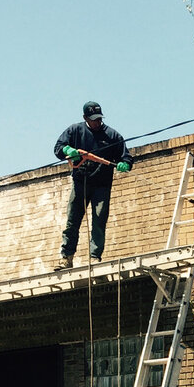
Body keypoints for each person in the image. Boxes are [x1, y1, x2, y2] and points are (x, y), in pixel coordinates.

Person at [53, 102, 133, 268]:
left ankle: (95, 257)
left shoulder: (112, 136)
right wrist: (68, 150)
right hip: (80, 182)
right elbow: (58, 148)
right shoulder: (75, 131)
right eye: (93, 119)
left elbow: (126, 156)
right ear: (85, 118)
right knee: (72, 221)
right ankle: (66, 257)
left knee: (99, 220)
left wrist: (125, 164)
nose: (97, 122)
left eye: (99, 119)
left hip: (102, 185)